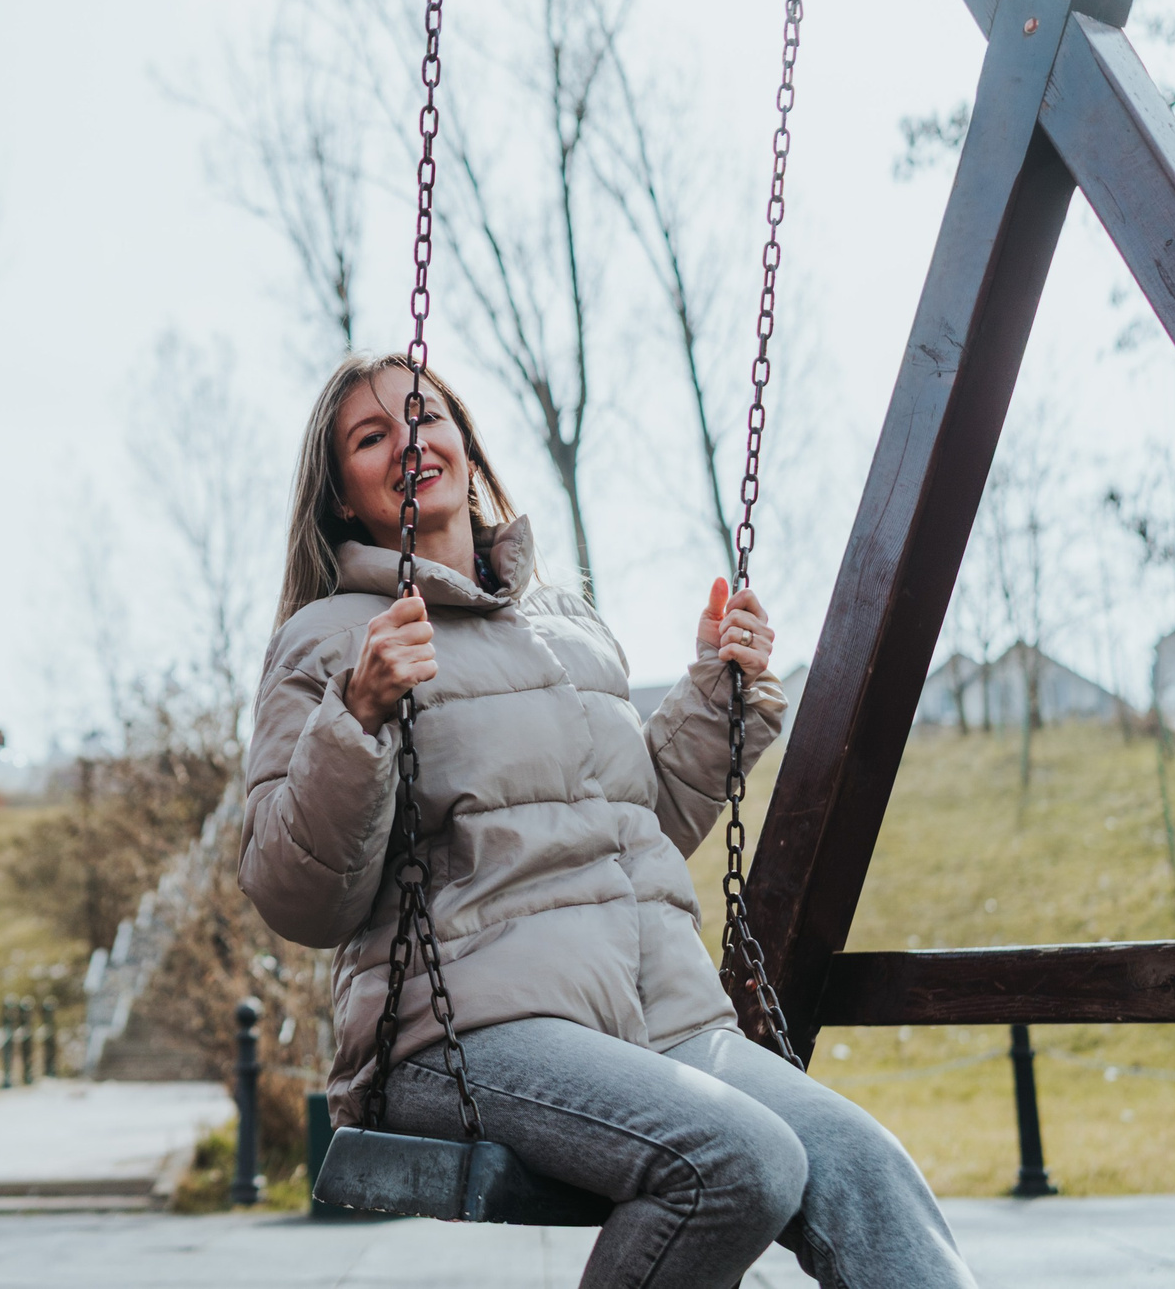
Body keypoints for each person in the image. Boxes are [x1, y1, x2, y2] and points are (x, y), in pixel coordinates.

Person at [242, 355, 974, 1289]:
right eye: (371, 436)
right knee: (742, 1158)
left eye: (425, 417)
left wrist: (718, 693)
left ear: (465, 443)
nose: (409, 443)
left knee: (865, 1167)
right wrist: (360, 715)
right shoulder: (331, 640)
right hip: (465, 1030)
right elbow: (295, 892)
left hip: (655, 1017)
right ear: (342, 495)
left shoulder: (568, 624)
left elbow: (638, 828)